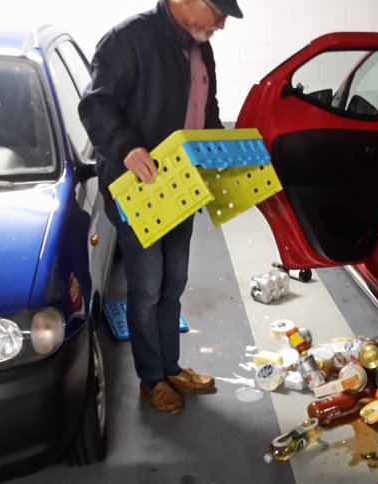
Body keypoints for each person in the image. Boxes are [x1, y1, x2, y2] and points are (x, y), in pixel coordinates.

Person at [79, 0, 243, 413]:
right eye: (219, 12)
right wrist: (126, 147)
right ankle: (151, 379)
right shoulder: (128, 40)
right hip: (142, 190)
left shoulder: (200, 46)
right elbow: (96, 105)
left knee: (174, 283)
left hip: (182, 188)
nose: (222, 23)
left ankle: (170, 366)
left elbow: (209, 110)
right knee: (147, 288)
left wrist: (216, 155)